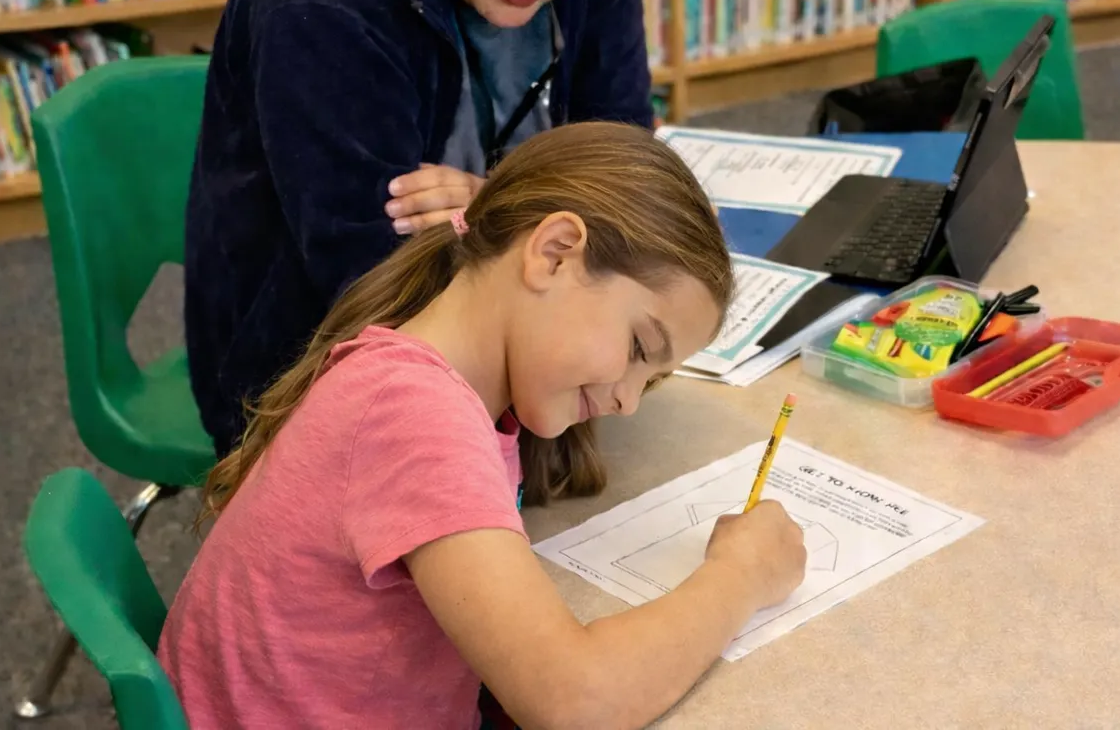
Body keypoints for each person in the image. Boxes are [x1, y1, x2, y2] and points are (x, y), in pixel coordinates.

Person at [159, 123, 808, 729]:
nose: (629, 403)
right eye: (639, 348)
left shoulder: (434, 379)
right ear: (555, 253)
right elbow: (573, 699)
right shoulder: (413, 414)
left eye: (653, 380)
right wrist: (740, 575)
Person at [183, 0, 658, 472]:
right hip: (322, 366)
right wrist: (533, 222)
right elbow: (372, 282)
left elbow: (625, 163)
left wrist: (495, 208)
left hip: (522, 328)